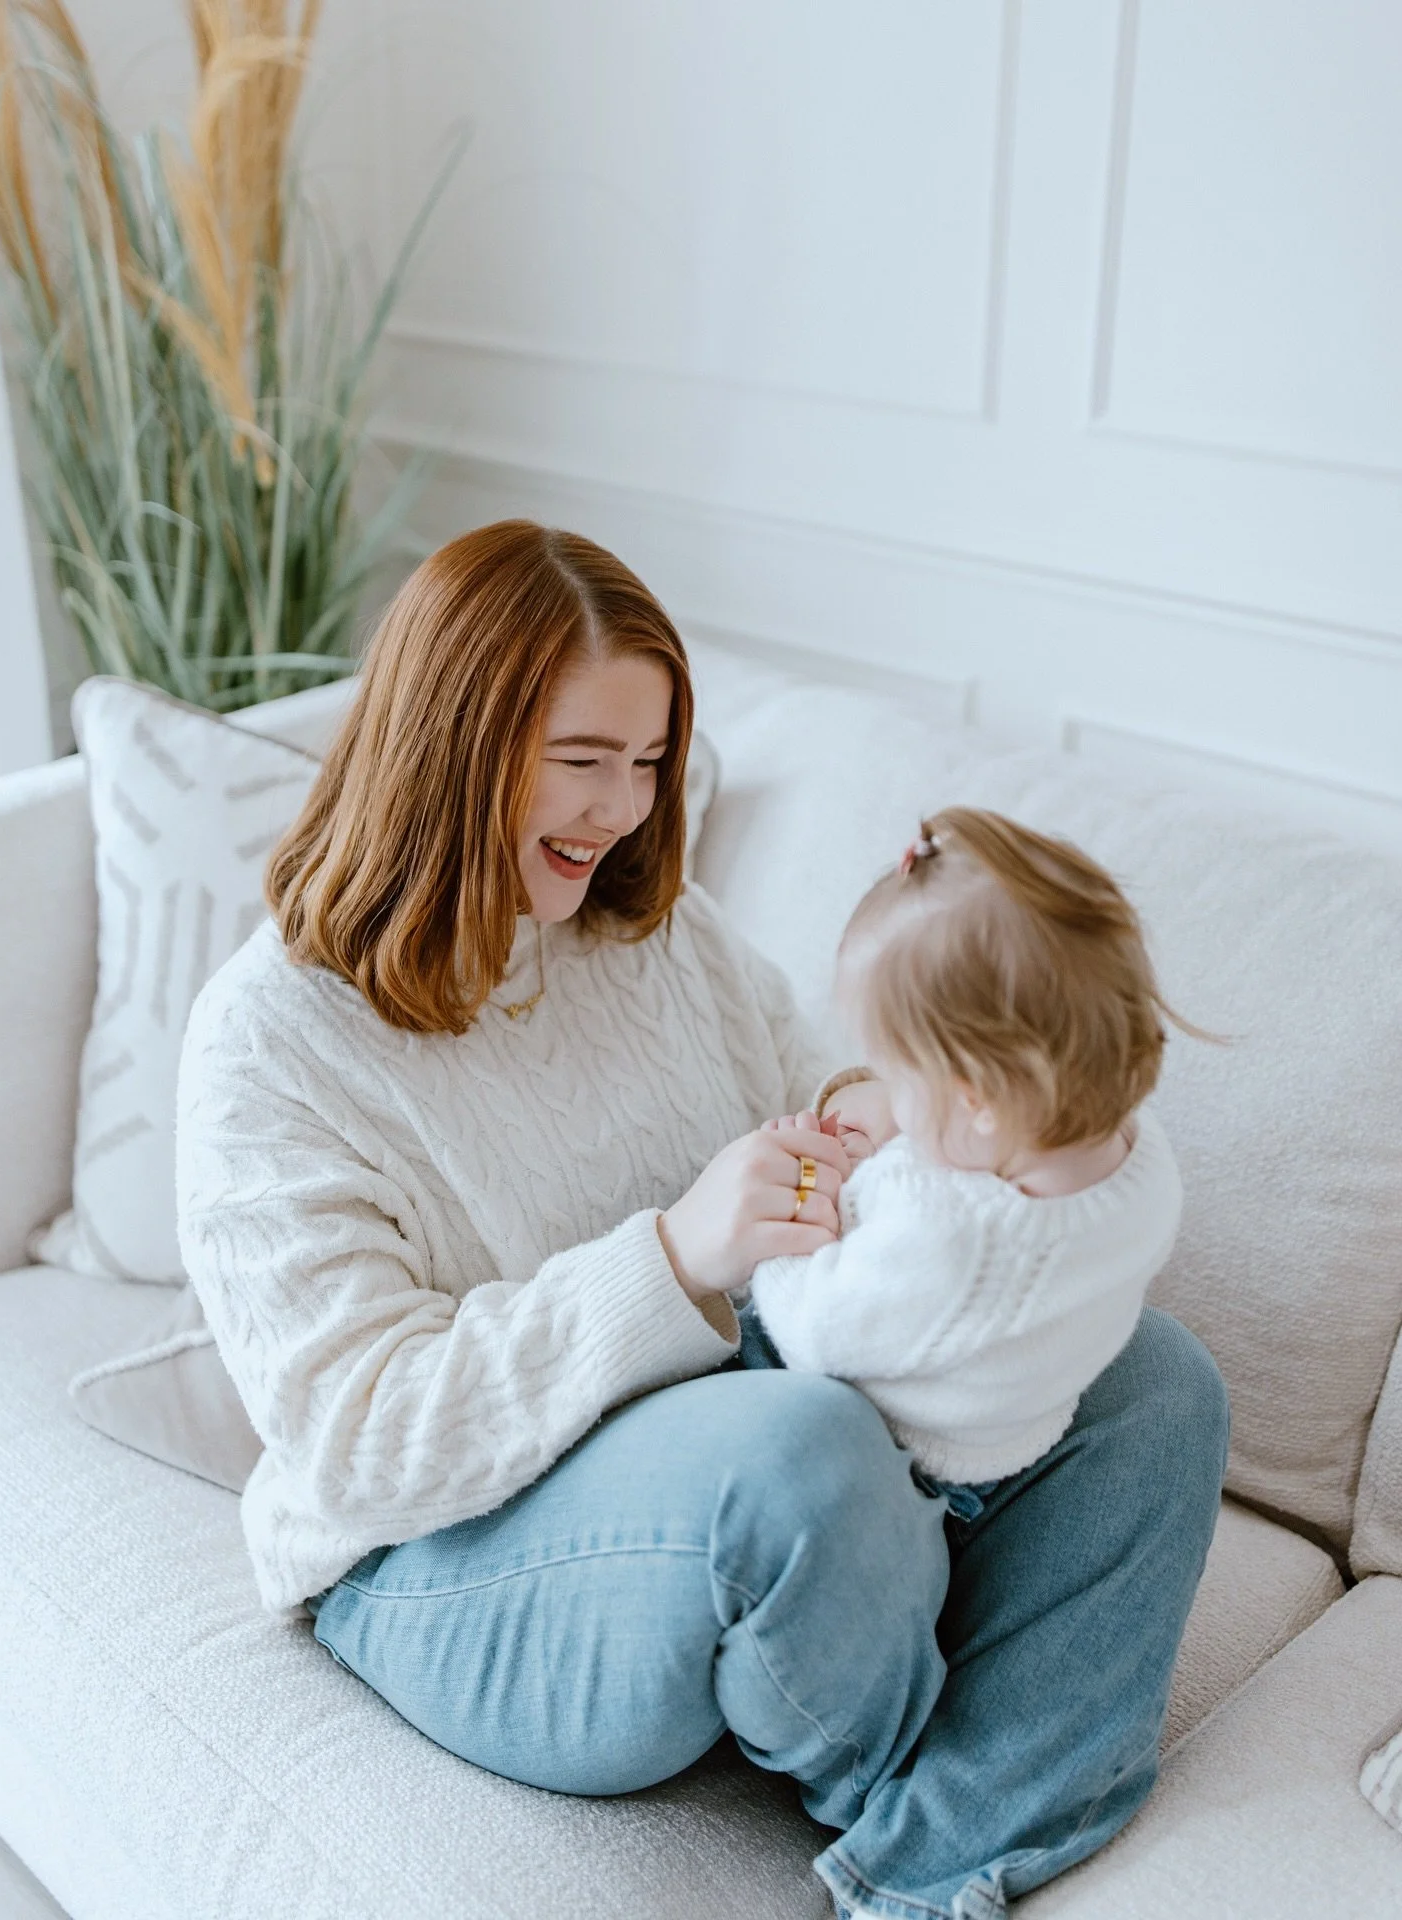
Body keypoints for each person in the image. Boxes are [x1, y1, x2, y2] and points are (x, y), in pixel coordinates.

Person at [174, 520, 1229, 1919]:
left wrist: (895, 1120)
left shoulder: (648, 926)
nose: (622, 808)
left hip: (706, 1426)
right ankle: (929, 1806)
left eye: (652, 761)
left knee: (1157, 1384)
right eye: (584, 761)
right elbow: (363, 1440)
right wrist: (674, 1257)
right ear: (455, 743)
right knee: (803, 1456)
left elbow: (817, 1081)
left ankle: (944, 1852)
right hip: (434, 1546)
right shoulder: (271, 1042)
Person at [749, 807, 1187, 1505]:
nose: (883, 1088)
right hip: (1018, 1418)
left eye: (895, 1072)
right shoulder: (1139, 1159)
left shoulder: (952, 1232)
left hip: (902, 1443)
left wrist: (809, 1203)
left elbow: (817, 1329)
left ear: (979, 1100)